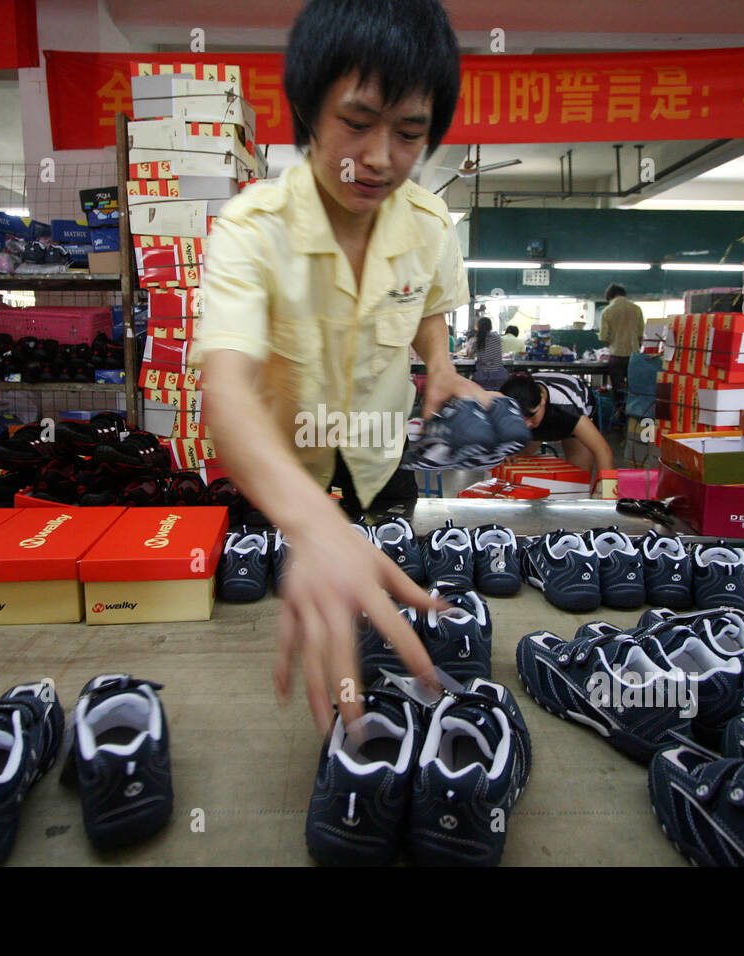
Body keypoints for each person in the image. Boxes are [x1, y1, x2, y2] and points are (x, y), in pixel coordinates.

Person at [193, 0, 485, 736]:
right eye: (357, 123)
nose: (381, 157)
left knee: (381, 607)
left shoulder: (428, 226)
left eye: (410, 133)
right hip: (285, 477)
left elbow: (426, 309)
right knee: (301, 616)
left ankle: (383, 719)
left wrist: (442, 366)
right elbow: (225, 390)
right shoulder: (250, 230)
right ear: (309, 111)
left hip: (383, 459)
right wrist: (314, 527)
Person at [500, 371, 615, 474]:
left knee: (579, 477)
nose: (527, 425)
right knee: (515, 461)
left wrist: (606, 492)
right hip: (541, 408)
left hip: (568, 413)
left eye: (531, 417)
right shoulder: (503, 407)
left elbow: (603, 451)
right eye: (520, 420)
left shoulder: (567, 408)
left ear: (542, 400)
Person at [598, 282, 645, 400]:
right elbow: (641, 335)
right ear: (623, 294)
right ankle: (633, 416)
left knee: (618, 390)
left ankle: (619, 413)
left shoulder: (607, 311)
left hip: (616, 357)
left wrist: (612, 345)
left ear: (610, 297)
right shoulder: (636, 309)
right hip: (634, 356)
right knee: (634, 389)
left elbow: (603, 337)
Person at [464, 315, 509, 390]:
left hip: (482, 379)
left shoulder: (477, 340)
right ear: (490, 327)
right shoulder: (497, 337)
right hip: (500, 377)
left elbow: (470, 355)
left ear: (478, 327)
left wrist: (470, 345)